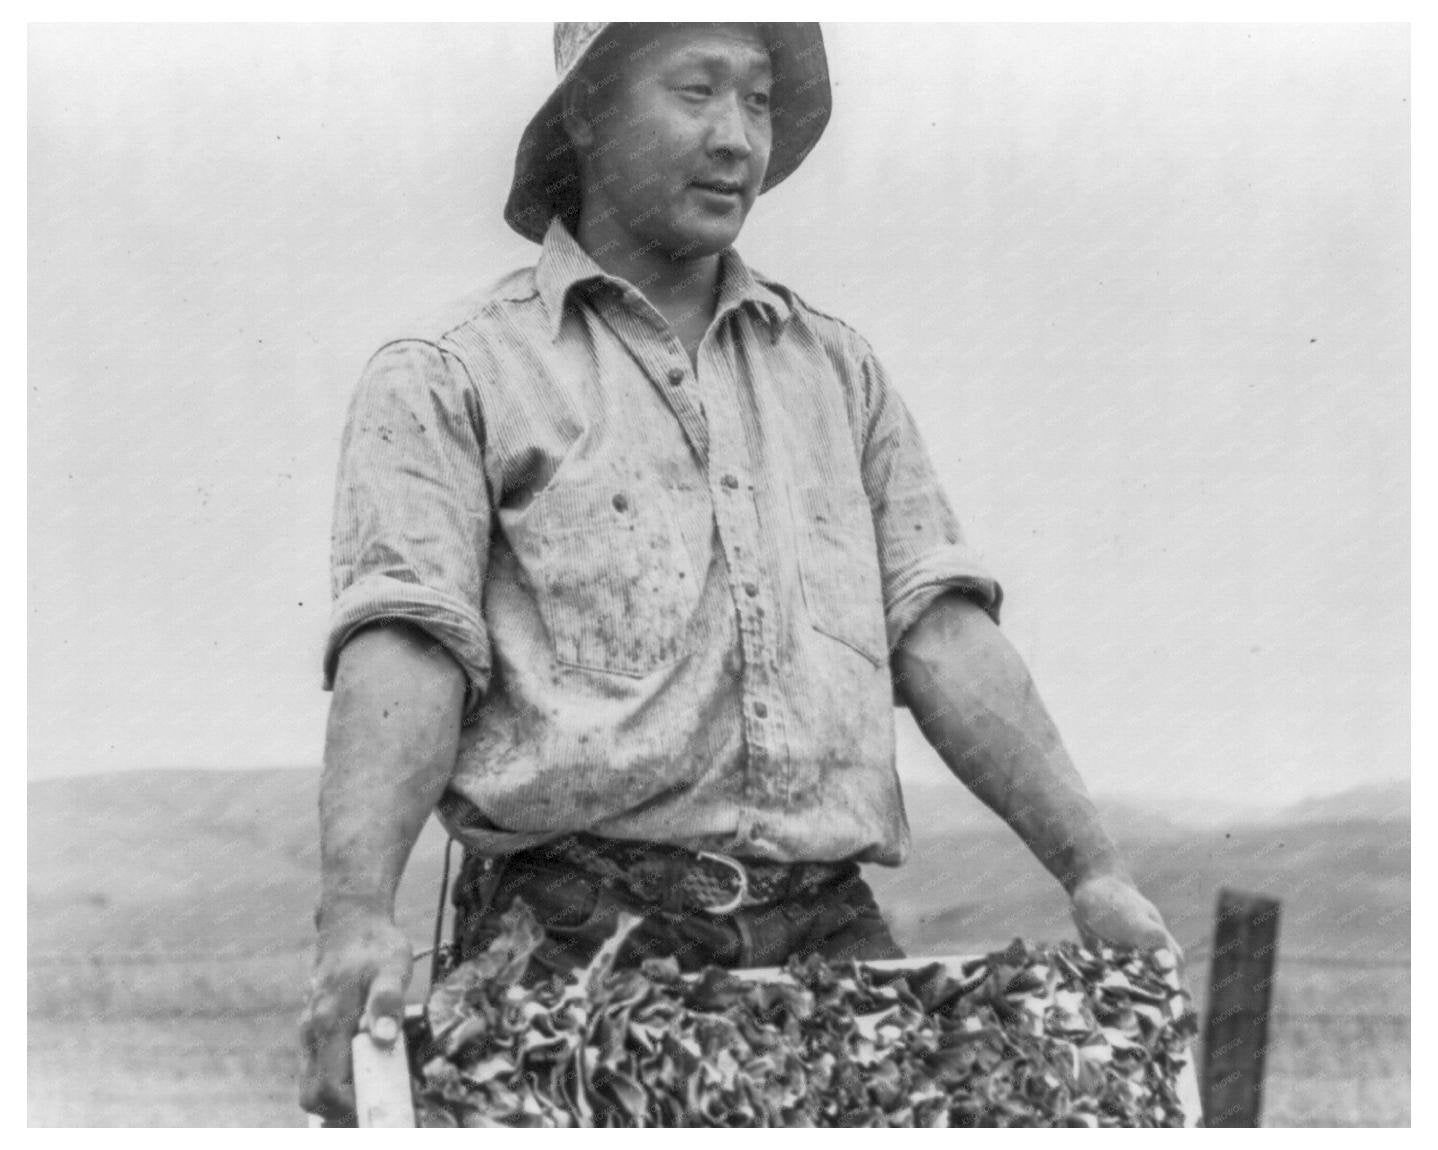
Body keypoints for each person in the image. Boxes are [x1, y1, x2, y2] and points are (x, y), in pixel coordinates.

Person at [298, 22, 1180, 1123]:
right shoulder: (451, 375)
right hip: (575, 950)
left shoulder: (837, 372)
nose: (737, 140)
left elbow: (941, 630)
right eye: (697, 91)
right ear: (585, 115)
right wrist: (355, 914)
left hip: (829, 940)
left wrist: (1091, 871)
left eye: (758, 102)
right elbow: (408, 643)